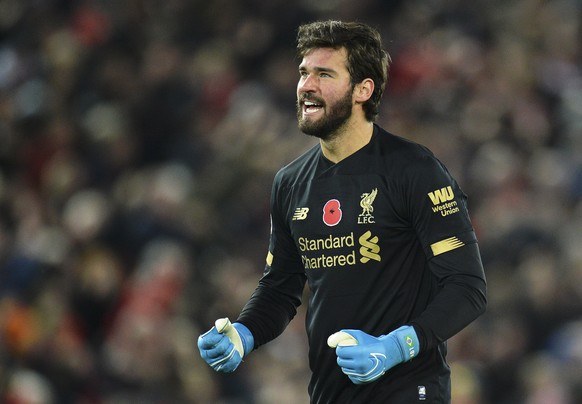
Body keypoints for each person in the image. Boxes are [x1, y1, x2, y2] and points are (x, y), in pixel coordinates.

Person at [198, 20, 487, 403]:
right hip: (329, 394)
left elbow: (467, 288)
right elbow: (280, 287)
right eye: (303, 73)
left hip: (410, 390)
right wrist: (244, 333)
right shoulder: (290, 183)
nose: (306, 85)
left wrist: (395, 347)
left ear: (363, 90)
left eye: (324, 74)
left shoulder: (415, 171)